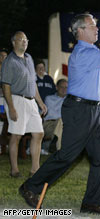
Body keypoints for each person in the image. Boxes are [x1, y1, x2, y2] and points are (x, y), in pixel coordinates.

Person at [19, 8, 100, 216]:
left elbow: (87, 83)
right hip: (79, 111)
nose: (97, 28)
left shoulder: (90, 53)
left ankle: (91, 203)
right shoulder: (85, 53)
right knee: (67, 155)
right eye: (93, 25)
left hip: (92, 111)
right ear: (80, 30)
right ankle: (31, 186)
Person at [1, 31, 47, 177]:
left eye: (26, 39)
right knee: (16, 136)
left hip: (31, 101)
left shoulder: (29, 58)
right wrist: (12, 108)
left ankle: (35, 169)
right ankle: (14, 170)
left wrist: (40, 102)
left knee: (39, 133)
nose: (24, 42)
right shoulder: (9, 61)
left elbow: (33, 83)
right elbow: (6, 86)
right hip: (17, 100)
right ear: (14, 42)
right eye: (21, 39)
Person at [42, 79, 68, 153]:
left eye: (66, 87)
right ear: (56, 87)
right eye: (62, 87)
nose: (64, 90)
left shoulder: (69, 100)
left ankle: (57, 148)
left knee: (63, 124)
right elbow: (52, 114)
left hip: (63, 125)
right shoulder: (49, 98)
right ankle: (60, 150)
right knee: (61, 121)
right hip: (49, 124)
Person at [0, 48, 8, 155]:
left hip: (7, 99)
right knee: (0, 119)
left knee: (5, 121)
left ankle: (4, 145)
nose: (3, 58)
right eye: (1, 56)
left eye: (5, 56)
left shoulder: (9, 70)